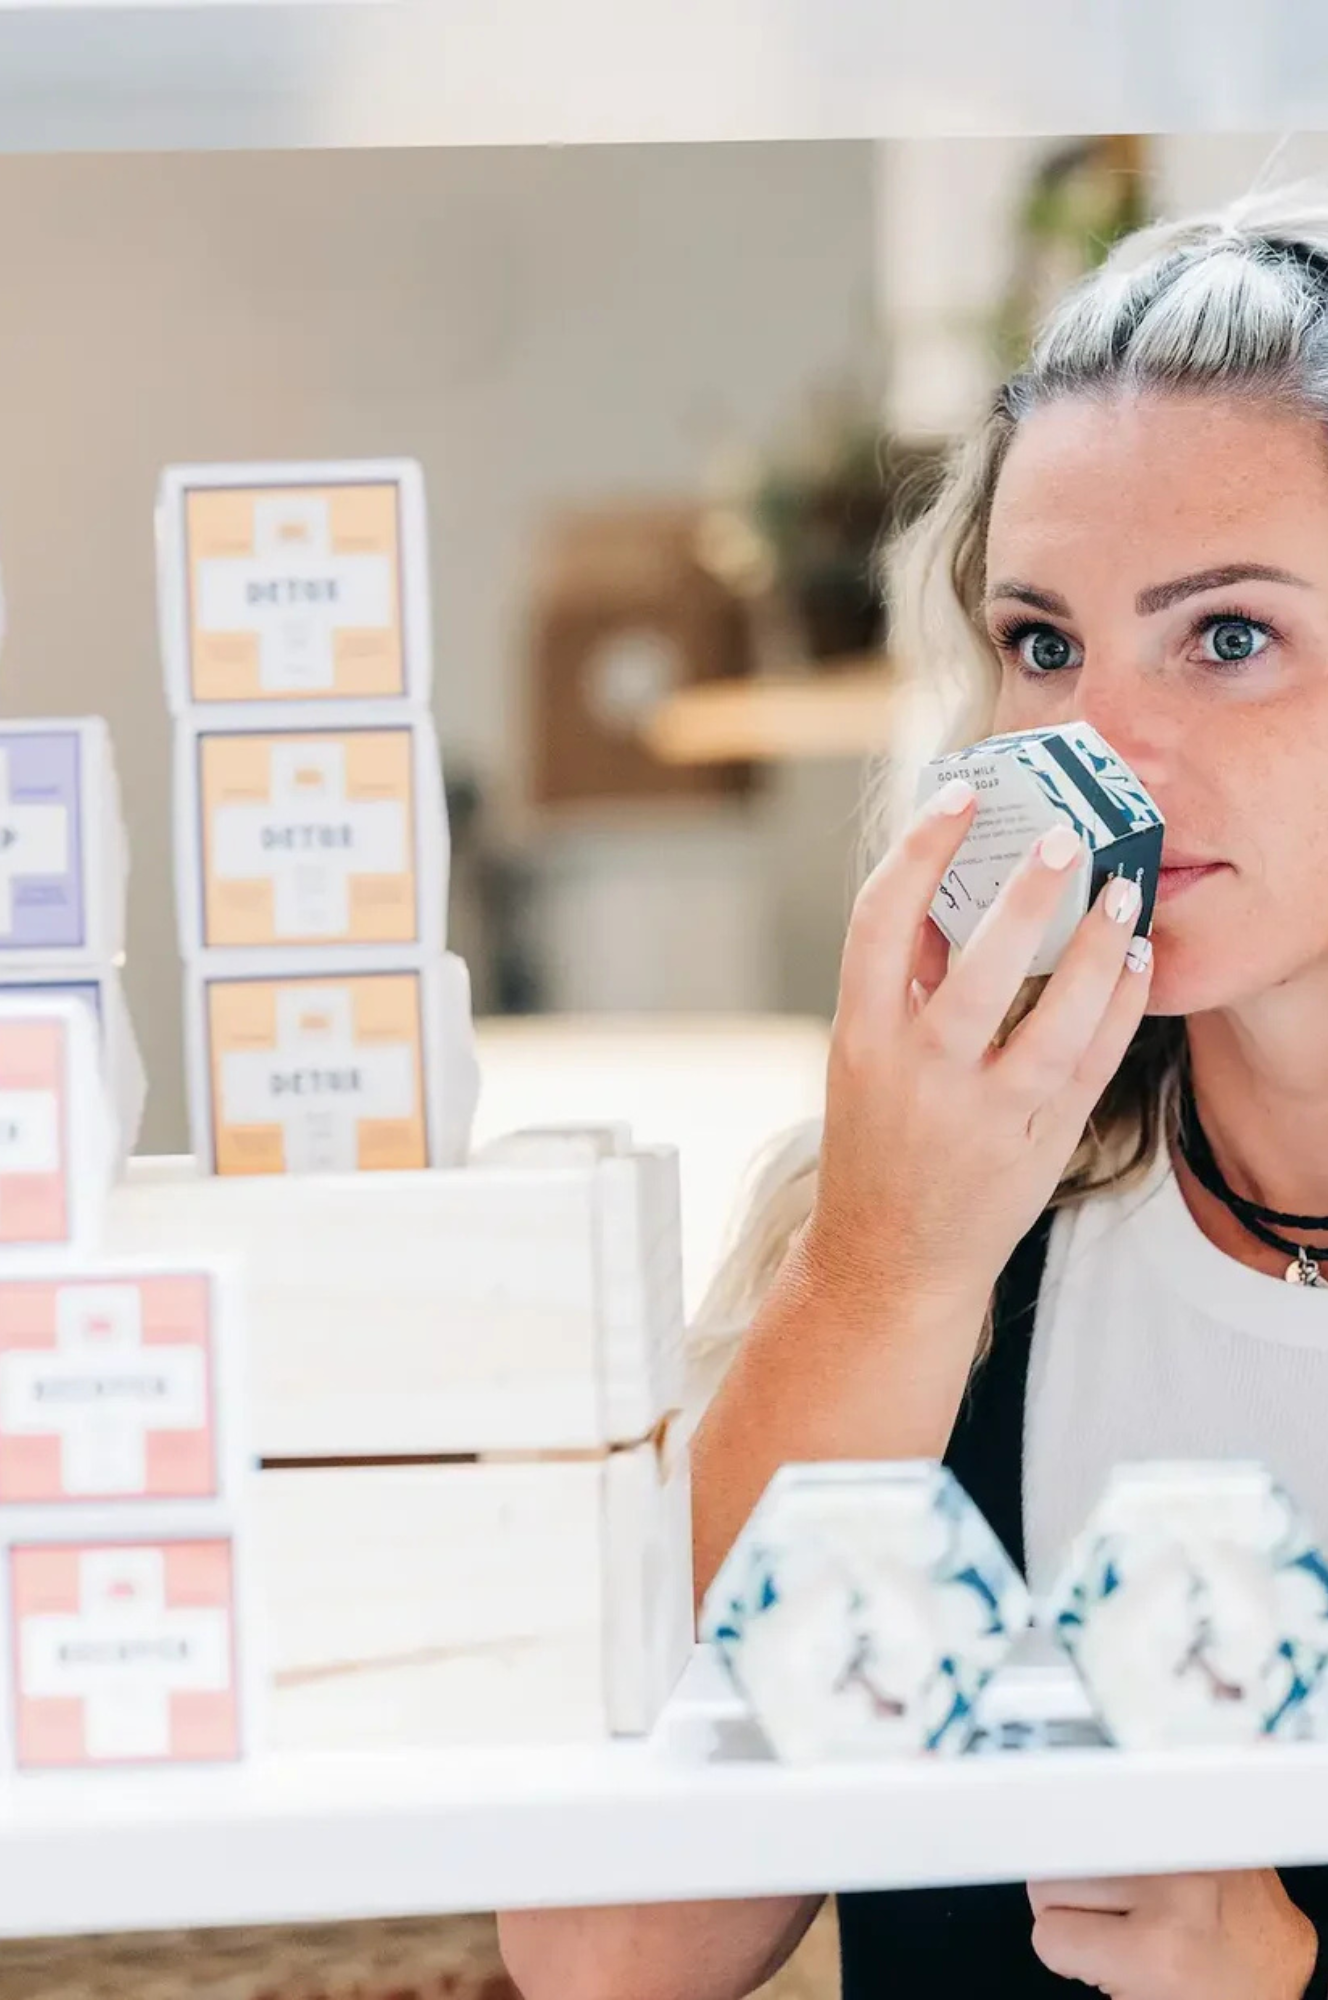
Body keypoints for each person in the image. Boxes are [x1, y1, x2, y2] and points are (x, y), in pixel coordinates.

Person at [496, 174, 1328, 1999]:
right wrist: (886, 1267)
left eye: (1229, 637)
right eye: (1045, 645)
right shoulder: (941, 1223)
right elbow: (607, 1953)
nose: (1102, 746)